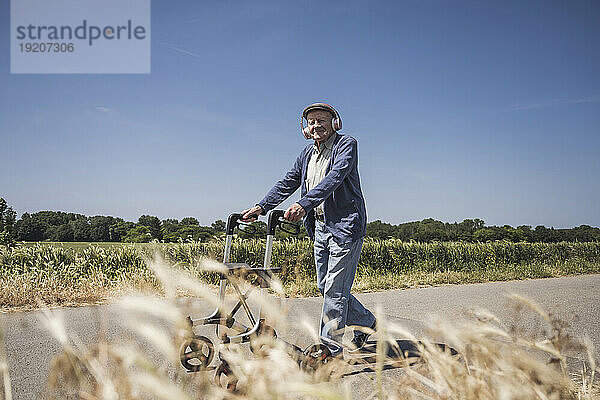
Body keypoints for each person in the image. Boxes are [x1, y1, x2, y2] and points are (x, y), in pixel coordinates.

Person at [242, 103, 376, 357]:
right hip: (320, 227)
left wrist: (304, 204)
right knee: (325, 287)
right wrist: (261, 207)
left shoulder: (346, 145)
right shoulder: (306, 154)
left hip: (345, 227)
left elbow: (334, 178)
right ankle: (367, 323)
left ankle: (330, 350)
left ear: (335, 122)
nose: (316, 126)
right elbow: (288, 181)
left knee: (335, 291)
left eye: (322, 120)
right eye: (311, 122)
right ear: (305, 128)